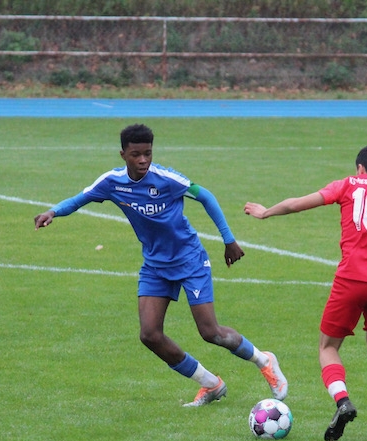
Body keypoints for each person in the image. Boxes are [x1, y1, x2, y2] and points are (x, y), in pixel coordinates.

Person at [34, 123, 287, 408]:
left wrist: (228, 240)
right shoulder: (111, 182)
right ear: (123, 155)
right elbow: (80, 199)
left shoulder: (167, 179)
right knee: (150, 335)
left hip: (190, 260)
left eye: (148, 153)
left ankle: (264, 360)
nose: (143, 160)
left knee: (210, 332)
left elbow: (205, 196)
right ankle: (210, 384)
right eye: (136, 155)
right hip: (155, 266)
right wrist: (53, 211)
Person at [244, 144, 367, 441]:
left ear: (360, 168)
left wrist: (266, 212)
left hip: (350, 278)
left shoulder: (347, 184)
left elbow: (298, 203)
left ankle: (343, 401)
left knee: (328, 346)